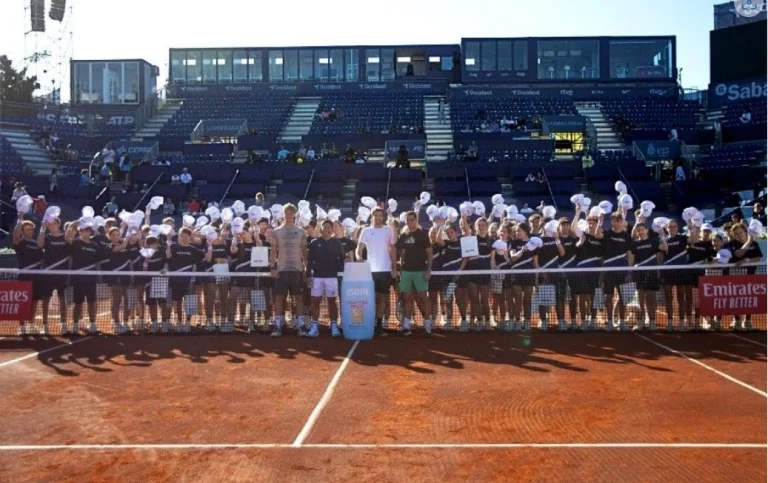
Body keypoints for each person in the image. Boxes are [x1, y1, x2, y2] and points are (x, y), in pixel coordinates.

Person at [356, 207, 397, 336]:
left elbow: (393, 249)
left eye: (381, 215)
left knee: (383, 298)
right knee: (370, 298)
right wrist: (359, 257)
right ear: (372, 216)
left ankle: (378, 325)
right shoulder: (366, 231)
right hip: (370, 270)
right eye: (376, 215)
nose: (379, 217)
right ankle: (369, 323)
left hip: (385, 269)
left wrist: (395, 267)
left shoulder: (388, 230)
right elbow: (359, 248)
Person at [270, 204, 308, 337]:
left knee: (299, 298)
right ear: (283, 214)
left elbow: (304, 252)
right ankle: (277, 326)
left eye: (291, 213)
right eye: (286, 213)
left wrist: (306, 269)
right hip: (281, 270)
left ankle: (300, 326)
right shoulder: (276, 231)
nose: (289, 215)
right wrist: (273, 268)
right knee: (279, 298)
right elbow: (273, 252)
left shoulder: (301, 232)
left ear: (295, 215)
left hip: (297, 270)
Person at [395, 211, 433, 337]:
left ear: (416, 220)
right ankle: (406, 326)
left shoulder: (423, 235)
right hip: (406, 272)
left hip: (420, 271)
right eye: (408, 220)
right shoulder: (403, 236)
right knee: (407, 298)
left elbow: (429, 253)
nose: (410, 222)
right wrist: (400, 269)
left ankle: (427, 326)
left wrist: (428, 270)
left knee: (423, 298)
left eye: (412, 220)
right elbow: (401, 253)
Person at [306, 220, 346, 337]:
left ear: (332, 230)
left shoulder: (337, 243)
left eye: (329, 228)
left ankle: (334, 326)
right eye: (325, 227)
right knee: (315, 301)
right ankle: (314, 326)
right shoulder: (314, 243)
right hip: (317, 277)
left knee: (332, 302)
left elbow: (342, 259)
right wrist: (308, 275)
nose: (327, 230)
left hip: (332, 277)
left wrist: (338, 270)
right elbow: (309, 261)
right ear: (321, 229)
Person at [13, 216, 43, 336]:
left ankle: (31, 324)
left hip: (36, 277)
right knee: (23, 302)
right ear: (22, 231)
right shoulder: (20, 243)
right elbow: (16, 234)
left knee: (34, 302)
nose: (30, 231)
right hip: (24, 276)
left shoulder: (37, 244)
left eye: (31, 229)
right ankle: (22, 327)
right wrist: (20, 217)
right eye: (27, 229)